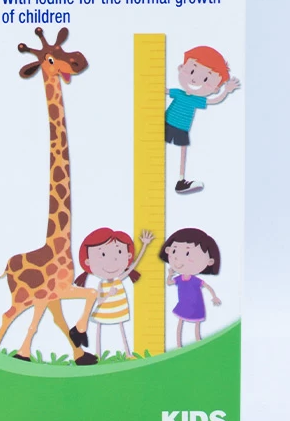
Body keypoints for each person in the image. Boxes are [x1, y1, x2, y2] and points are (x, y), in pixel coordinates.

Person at [164, 45, 240, 193]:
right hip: (166, 123)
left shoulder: (196, 100)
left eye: (206, 79)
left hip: (182, 127)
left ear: (215, 88)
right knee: (162, 144)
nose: (195, 80)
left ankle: (181, 180)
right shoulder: (178, 93)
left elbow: (214, 100)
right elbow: (163, 90)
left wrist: (226, 91)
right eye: (192, 71)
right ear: (181, 68)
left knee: (182, 151)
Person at [72, 228, 154, 357]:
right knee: (99, 330)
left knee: (121, 329)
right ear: (88, 261)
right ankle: (98, 354)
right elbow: (99, 301)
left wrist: (144, 245)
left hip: (119, 309)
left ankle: (128, 353)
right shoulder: (101, 284)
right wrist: (109, 294)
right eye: (103, 254)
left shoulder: (118, 279)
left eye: (119, 252)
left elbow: (134, 264)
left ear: (128, 256)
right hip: (103, 312)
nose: (112, 260)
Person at [158, 227, 222, 346]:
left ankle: (198, 342)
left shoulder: (195, 280)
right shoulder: (179, 278)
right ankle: (179, 345)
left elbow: (207, 286)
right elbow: (169, 283)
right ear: (168, 250)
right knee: (180, 322)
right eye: (174, 251)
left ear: (209, 262)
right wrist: (169, 275)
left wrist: (214, 296)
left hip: (196, 305)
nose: (178, 258)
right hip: (183, 305)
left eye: (187, 253)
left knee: (196, 324)